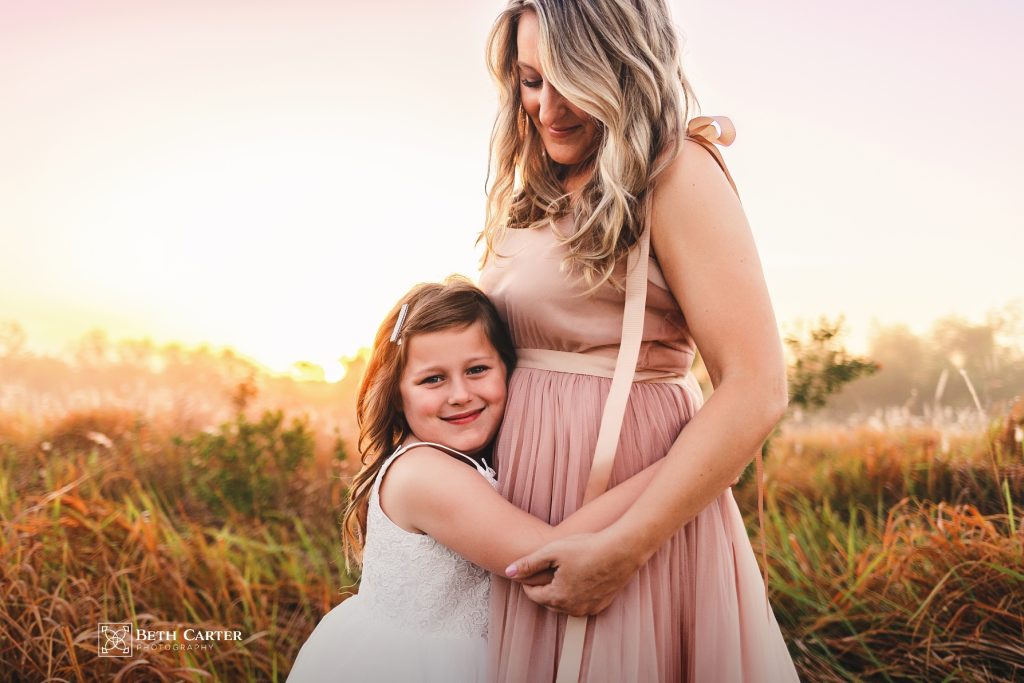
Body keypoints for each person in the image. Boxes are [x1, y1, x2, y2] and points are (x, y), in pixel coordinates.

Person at [478, 1, 800, 681]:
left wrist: (626, 545)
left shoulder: (676, 171)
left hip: (635, 519)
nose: (547, 106)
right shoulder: (537, 190)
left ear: (622, 68)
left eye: (572, 79)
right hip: (528, 512)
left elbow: (756, 385)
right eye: (531, 81)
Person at [287, 277, 668, 682]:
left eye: (477, 370)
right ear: (397, 395)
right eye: (433, 379)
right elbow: (545, 558)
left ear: (510, 371)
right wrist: (677, 468)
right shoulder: (423, 474)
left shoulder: (459, 459)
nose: (460, 394)